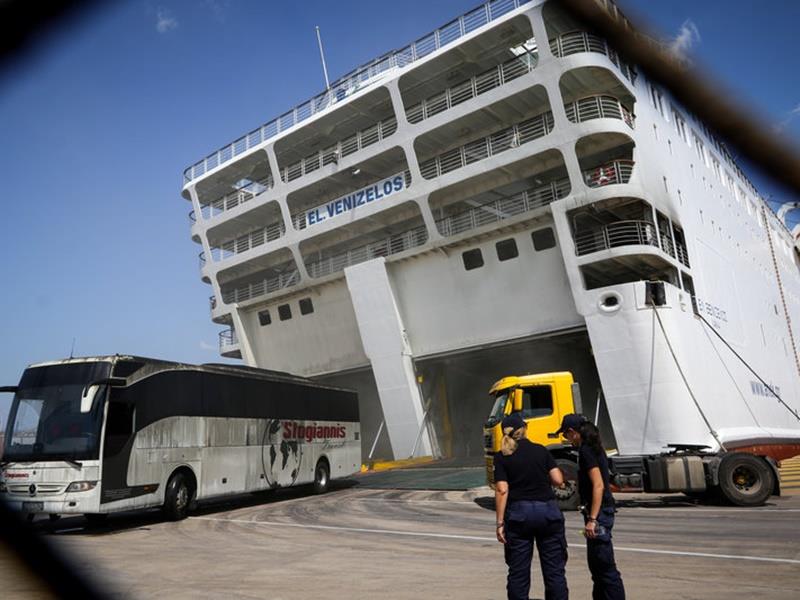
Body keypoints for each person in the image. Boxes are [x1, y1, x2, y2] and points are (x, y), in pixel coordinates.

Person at [494, 412, 568, 600]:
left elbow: (502, 490)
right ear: (524, 429)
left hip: (519, 515)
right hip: (547, 512)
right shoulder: (541, 450)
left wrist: (500, 523)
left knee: (518, 572)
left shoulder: (502, 456)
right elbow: (558, 480)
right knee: (554, 572)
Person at [554, 414, 626, 600]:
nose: (567, 439)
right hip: (600, 511)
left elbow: (599, 485)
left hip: (599, 514)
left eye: (566, 435)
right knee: (597, 567)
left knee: (604, 567)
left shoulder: (586, 451)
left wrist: (593, 519)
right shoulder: (594, 447)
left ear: (573, 432)